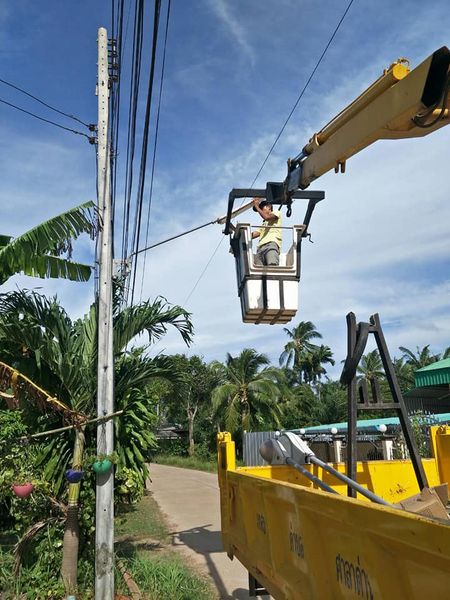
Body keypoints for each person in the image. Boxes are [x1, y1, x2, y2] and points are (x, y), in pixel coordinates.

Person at [251, 197, 282, 266]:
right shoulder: (264, 224)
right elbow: (250, 235)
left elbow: (267, 217)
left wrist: (256, 205)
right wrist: (235, 229)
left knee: (272, 266)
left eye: (262, 208)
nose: (261, 210)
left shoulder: (276, 212)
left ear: (269, 207)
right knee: (259, 273)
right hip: (260, 249)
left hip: (270, 244)